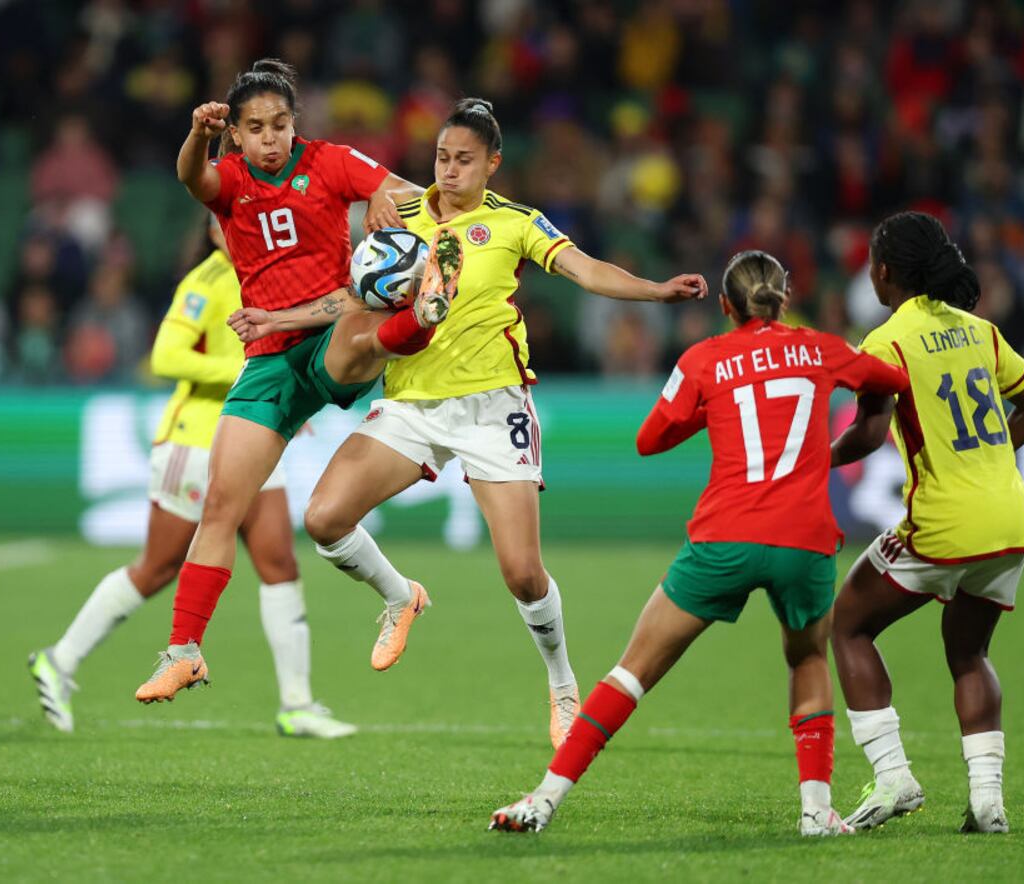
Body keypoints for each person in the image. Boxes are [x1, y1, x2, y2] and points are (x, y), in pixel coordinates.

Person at [232, 98, 707, 749]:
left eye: (463, 160)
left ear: (492, 163)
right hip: (412, 404)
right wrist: (276, 320)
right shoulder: (401, 212)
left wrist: (654, 289)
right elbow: (358, 292)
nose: (449, 171)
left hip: (492, 407)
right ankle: (401, 597)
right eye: (441, 158)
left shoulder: (514, 222)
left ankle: (564, 685)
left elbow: (584, 269)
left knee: (522, 573)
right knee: (324, 519)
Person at [488, 249, 910, 836]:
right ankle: (817, 812)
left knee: (632, 671)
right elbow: (894, 380)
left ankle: (544, 799)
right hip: (805, 541)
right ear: (785, 298)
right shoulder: (823, 348)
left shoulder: (704, 358)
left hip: (726, 538)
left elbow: (649, 440)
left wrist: (708, 410)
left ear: (724, 304)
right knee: (808, 658)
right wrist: (867, 417)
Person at [134, 58, 435, 703]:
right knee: (219, 506)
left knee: (365, 313)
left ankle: (419, 323)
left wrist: (388, 193)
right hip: (269, 361)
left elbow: (411, 193)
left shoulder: (328, 161)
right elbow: (192, 175)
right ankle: (184, 652)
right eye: (255, 128)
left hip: (330, 339)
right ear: (235, 135)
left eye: (280, 124)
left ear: (295, 124)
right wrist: (196, 136)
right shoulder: (231, 178)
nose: (270, 138)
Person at [31, 219, 355, 738]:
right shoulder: (205, 282)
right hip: (196, 441)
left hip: (252, 436)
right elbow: (165, 356)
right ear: (211, 228)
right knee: (157, 567)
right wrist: (251, 376)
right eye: (225, 219)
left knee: (278, 562)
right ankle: (60, 659)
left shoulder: (268, 275)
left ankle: (297, 704)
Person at [828, 211, 1024, 834]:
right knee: (969, 652)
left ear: (886, 271)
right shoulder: (979, 331)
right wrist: (991, 460)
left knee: (847, 625)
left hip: (944, 521)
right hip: (1009, 517)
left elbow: (869, 434)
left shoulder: (887, 341)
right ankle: (988, 803)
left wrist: (812, 462)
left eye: (872, 263)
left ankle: (894, 775)